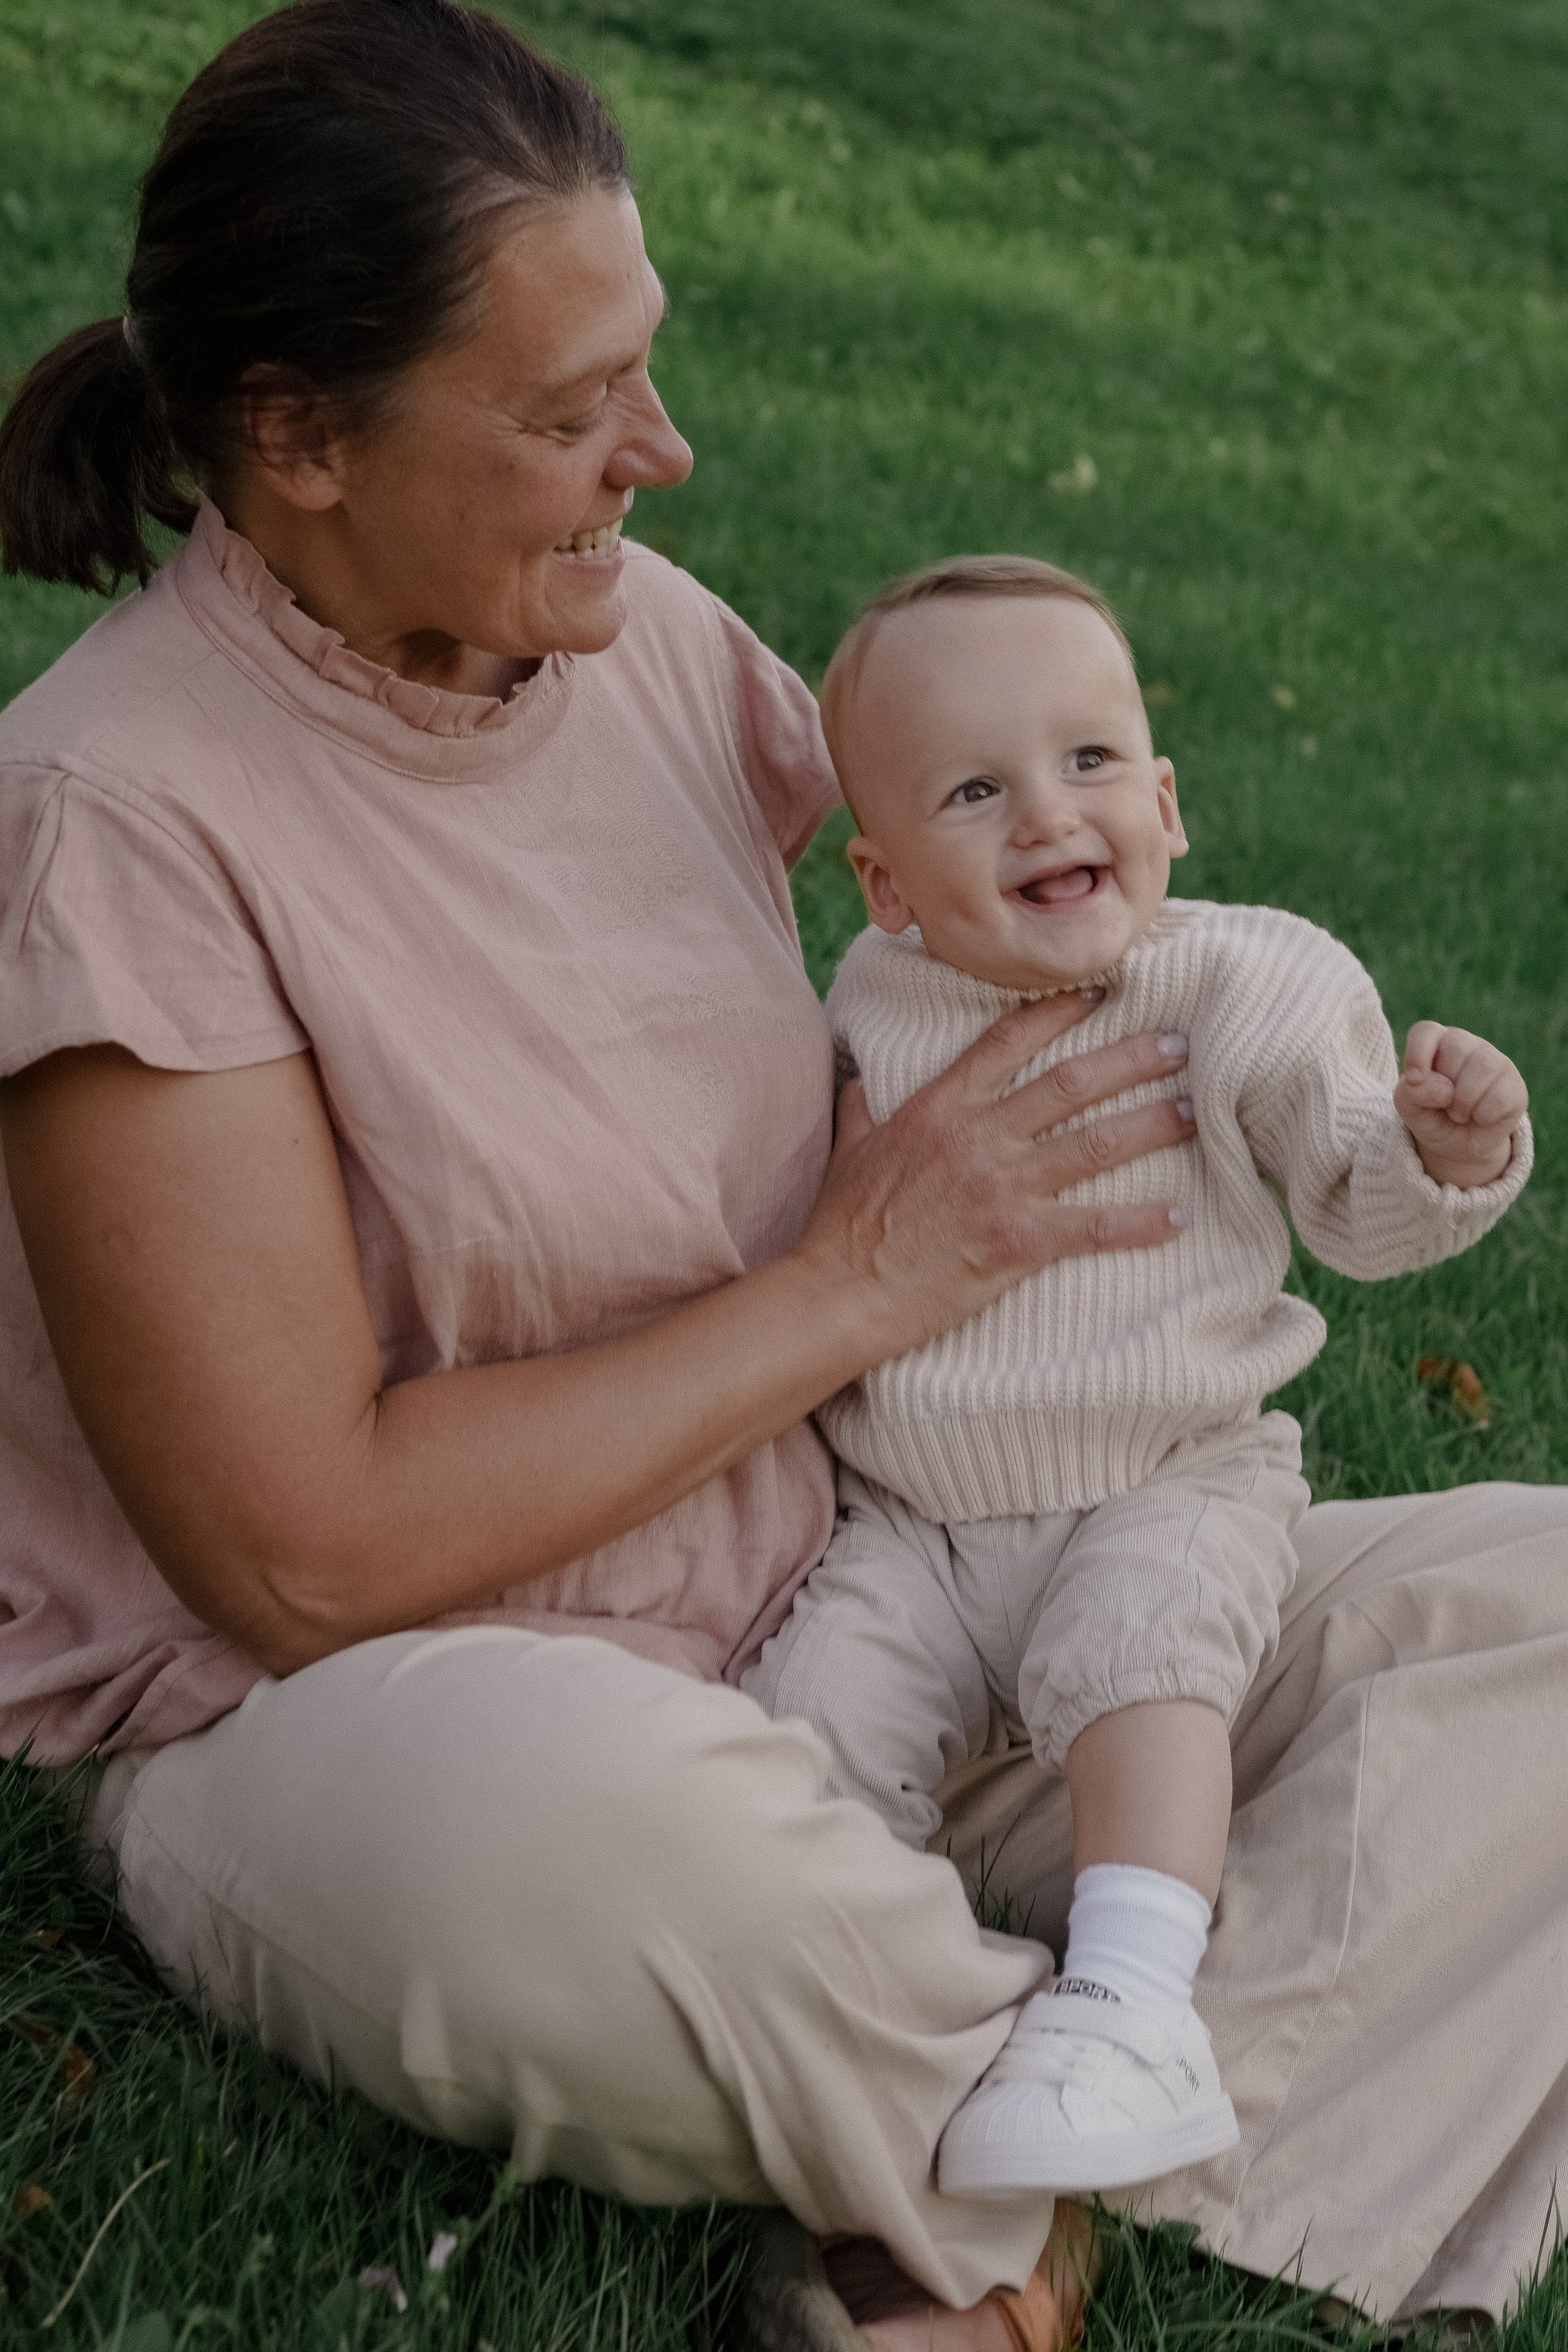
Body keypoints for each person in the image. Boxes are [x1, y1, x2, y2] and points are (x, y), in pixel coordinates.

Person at [0, 4, 1564, 2345]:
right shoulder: (115, 822)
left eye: (643, 364)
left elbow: (986, 955)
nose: (663, 448)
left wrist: (1322, 1115)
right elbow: (299, 1553)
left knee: (1544, 1615)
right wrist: (853, 1286)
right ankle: (1054, 2152)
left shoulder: (651, 660)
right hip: (400, 1710)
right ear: (296, 436)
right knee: (611, 1862)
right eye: (563, 413)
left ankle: (973, 2131)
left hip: (891, 1612)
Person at [745, 554, 1531, 2199]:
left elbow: (1352, 1193)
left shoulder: (1241, 984)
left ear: (1167, 800)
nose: (1049, 815)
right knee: (810, 1721)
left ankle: (1130, 2007)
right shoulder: (867, 1007)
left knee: (1142, 1650)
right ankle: (872, 2002)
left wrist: (1441, 1149)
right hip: (905, 1508)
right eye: (978, 789)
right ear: (885, 885)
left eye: (1091, 762)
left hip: (1163, 1468)